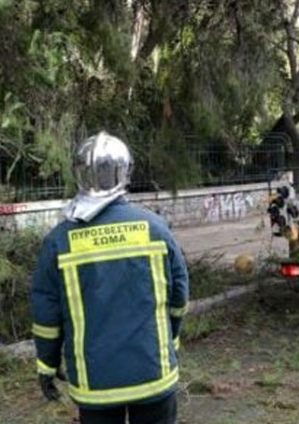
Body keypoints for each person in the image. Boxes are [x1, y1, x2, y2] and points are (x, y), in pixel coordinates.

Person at [31, 131, 189, 424]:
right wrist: (171, 341)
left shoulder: (59, 241)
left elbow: (46, 316)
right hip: (154, 374)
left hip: (95, 385)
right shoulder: (156, 229)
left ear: (79, 173)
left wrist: (47, 365)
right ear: (126, 172)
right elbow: (179, 298)